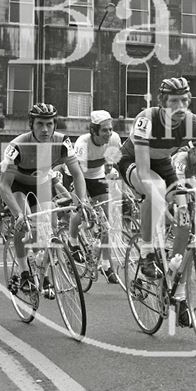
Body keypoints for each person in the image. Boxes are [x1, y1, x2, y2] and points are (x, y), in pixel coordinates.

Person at [116, 77, 196, 326]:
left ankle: (177, 296)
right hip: (135, 162)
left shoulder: (193, 124)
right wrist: (160, 203)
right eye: (173, 101)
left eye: (184, 100)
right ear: (162, 103)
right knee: (155, 188)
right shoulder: (146, 119)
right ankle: (147, 253)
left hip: (164, 165)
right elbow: (146, 172)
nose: (180, 106)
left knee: (185, 222)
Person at [0, 103, 87, 295]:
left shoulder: (63, 143)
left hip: (42, 182)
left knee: (48, 228)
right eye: (40, 124)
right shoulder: (17, 146)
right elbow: (4, 185)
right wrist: (18, 213)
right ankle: (23, 272)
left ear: (55, 125)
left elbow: (78, 174)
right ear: (31, 124)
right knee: (25, 223)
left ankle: (43, 272)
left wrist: (81, 202)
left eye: (49, 124)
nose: (45, 129)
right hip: (17, 184)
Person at [73, 110, 122, 284]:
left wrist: (112, 175)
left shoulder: (114, 139)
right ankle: (72, 242)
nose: (109, 133)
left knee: (106, 224)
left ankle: (106, 265)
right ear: (93, 131)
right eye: (104, 131)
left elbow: (113, 162)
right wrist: (83, 198)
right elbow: (77, 172)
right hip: (80, 176)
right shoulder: (82, 143)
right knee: (80, 211)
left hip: (97, 176)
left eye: (110, 129)